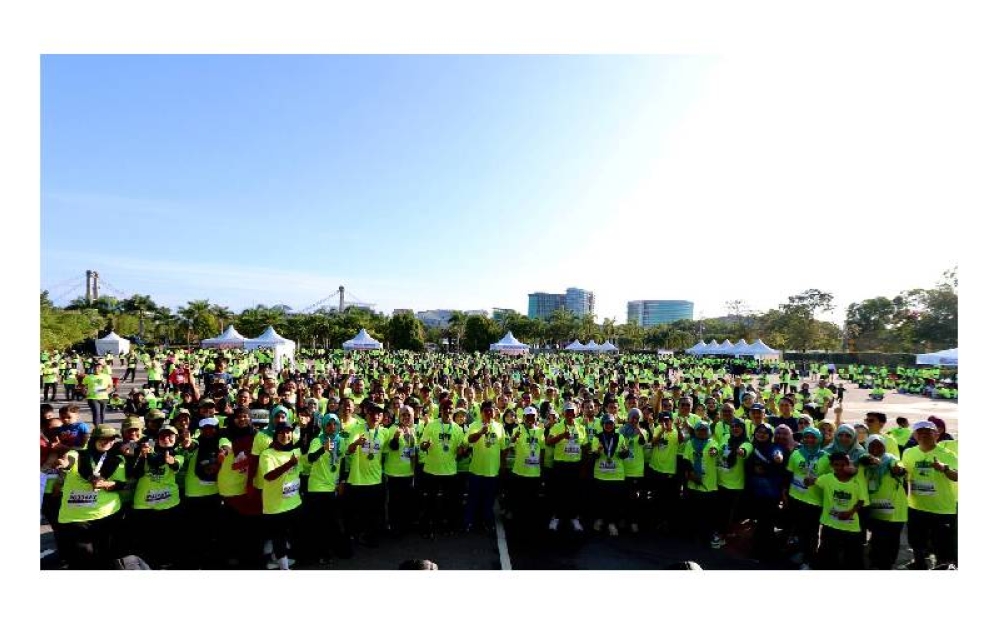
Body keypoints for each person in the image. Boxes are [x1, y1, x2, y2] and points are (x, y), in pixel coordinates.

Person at [58, 424, 127, 569]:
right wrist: (64, 464)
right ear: (94, 438)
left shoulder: (117, 459)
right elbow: (68, 462)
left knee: (106, 555)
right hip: (78, 516)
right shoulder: (78, 455)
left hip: (107, 513)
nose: (108, 442)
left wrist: (107, 484)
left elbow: (121, 484)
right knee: (85, 555)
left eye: (111, 439)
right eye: (103, 438)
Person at [899, 420, 958, 569]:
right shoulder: (908, 453)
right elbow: (904, 472)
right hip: (916, 506)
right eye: (920, 432)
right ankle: (919, 564)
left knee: (942, 545)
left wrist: (945, 469)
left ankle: (943, 567)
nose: (924, 435)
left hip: (942, 509)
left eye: (928, 432)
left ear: (936, 435)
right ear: (914, 435)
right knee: (916, 541)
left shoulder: (947, 455)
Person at [127, 424, 184, 568]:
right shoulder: (147, 450)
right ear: (157, 438)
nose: (166, 438)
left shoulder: (178, 454)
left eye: (170, 436)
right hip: (143, 505)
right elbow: (133, 469)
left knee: (166, 539)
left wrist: (170, 461)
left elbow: (175, 465)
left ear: (176, 439)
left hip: (168, 504)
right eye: (162, 436)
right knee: (146, 540)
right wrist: (140, 452)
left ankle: (165, 563)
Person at [812, 452, 868, 569]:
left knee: (852, 556)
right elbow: (813, 481)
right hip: (830, 524)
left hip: (850, 526)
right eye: (836, 465)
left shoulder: (856, 481)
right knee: (827, 554)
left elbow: (861, 501)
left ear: (849, 465)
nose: (840, 468)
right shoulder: (827, 479)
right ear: (832, 466)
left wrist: (850, 512)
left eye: (843, 465)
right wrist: (808, 480)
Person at [784, 427, 830, 570]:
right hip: (795, 497)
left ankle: (809, 560)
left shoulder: (826, 457)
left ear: (819, 439)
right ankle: (802, 552)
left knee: (812, 532)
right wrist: (785, 493)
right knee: (800, 529)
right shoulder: (796, 454)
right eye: (807, 437)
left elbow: (830, 479)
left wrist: (817, 479)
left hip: (814, 501)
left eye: (813, 438)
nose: (809, 440)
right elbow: (789, 474)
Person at [859, 435, 908, 569]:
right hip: (875, 509)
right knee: (877, 539)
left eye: (879, 445)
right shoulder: (865, 463)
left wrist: (899, 470)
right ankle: (876, 564)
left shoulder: (891, 459)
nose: (875, 449)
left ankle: (887, 565)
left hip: (894, 511)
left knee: (891, 541)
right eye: (872, 446)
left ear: (884, 447)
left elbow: (898, 466)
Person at [419, 397, 465, 537]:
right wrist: (425, 445)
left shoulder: (457, 428)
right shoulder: (431, 425)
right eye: (445, 408)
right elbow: (422, 444)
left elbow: (460, 448)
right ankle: (428, 528)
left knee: (449, 502)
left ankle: (447, 527)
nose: (448, 411)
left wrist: (461, 450)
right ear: (441, 410)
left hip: (450, 471)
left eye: (450, 409)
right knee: (430, 501)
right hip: (432, 470)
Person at [259, 422, 302, 570]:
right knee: (279, 537)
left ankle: (274, 559)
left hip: (293, 501)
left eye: (288, 432)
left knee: (288, 535)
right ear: (276, 435)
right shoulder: (267, 454)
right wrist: (289, 464)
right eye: (282, 433)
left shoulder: (295, 451)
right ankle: (284, 568)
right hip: (275, 505)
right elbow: (269, 476)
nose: (286, 435)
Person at [744, 423, 786, 561]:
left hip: (771, 494)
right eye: (759, 432)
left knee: (766, 524)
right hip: (754, 493)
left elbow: (778, 455)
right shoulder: (751, 447)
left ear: (770, 435)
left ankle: (761, 553)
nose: (762, 434)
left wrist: (777, 458)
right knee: (760, 523)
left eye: (765, 432)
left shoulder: (775, 447)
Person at [545, 400, 588, 533]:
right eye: (567, 412)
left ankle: (574, 518)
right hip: (561, 465)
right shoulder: (557, 426)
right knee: (559, 493)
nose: (570, 414)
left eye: (572, 412)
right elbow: (549, 441)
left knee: (574, 493)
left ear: (576, 413)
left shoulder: (581, 427)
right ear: (563, 413)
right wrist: (562, 435)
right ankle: (556, 518)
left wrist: (583, 466)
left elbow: (585, 447)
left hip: (575, 464)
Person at [464, 400, 507, 532]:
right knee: (473, 499)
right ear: (481, 412)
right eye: (486, 411)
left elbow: (503, 449)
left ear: (494, 412)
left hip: (492, 471)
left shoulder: (500, 427)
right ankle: (469, 522)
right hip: (476, 470)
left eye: (491, 410)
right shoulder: (474, 425)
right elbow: (468, 441)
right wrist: (480, 432)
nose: (489, 413)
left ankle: (487, 522)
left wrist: (502, 466)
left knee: (489, 500)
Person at [681, 421, 722, 548]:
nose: (702, 432)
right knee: (693, 512)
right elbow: (686, 459)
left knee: (707, 514)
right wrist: (691, 475)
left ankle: (706, 537)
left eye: (705, 430)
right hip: (693, 484)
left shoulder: (712, 443)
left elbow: (716, 451)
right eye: (699, 430)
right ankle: (693, 536)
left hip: (708, 485)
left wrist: (714, 452)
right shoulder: (690, 443)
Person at [590, 414, 628, 536]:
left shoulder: (620, 436)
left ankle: (611, 523)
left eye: (611, 423)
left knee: (614, 502)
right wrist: (598, 451)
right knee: (601, 500)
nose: (609, 425)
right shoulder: (597, 437)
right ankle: (600, 521)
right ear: (602, 424)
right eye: (606, 423)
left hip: (616, 475)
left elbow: (624, 454)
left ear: (614, 424)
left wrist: (624, 452)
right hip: (601, 474)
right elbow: (594, 456)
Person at [508, 405, 544, 529]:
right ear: (523, 417)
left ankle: (530, 523)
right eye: (527, 416)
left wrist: (542, 468)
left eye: (532, 416)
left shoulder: (540, 431)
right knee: (520, 500)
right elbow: (510, 445)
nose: (530, 418)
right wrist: (514, 438)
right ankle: (518, 523)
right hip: (520, 472)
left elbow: (542, 450)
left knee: (532, 501)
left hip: (534, 472)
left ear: (536, 417)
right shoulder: (518, 429)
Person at [384, 405, 418, 536]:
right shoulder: (393, 429)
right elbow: (391, 447)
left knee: (405, 503)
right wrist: (396, 438)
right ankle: (393, 527)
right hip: (393, 473)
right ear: (399, 415)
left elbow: (412, 453)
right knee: (393, 503)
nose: (406, 417)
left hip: (407, 473)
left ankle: (404, 527)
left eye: (408, 415)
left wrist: (414, 473)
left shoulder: (412, 431)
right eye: (403, 414)